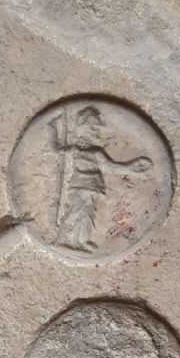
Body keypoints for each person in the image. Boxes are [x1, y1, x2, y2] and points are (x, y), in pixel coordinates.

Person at [50, 105, 153, 252]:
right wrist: (52, 128)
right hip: (79, 187)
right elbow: (56, 150)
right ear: (82, 131)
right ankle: (60, 240)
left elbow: (111, 167)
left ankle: (81, 241)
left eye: (96, 130)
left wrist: (131, 168)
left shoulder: (96, 152)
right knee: (74, 212)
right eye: (93, 129)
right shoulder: (75, 150)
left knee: (88, 214)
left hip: (92, 187)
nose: (96, 133)